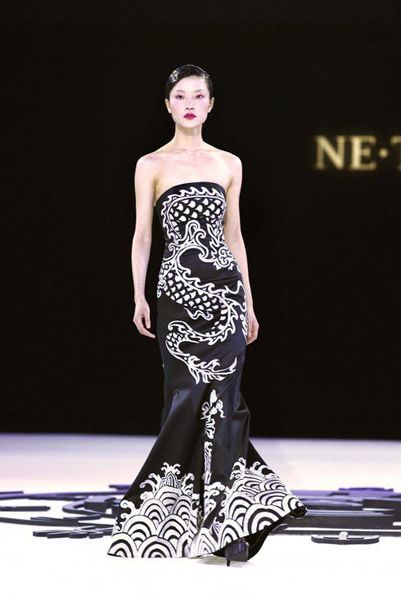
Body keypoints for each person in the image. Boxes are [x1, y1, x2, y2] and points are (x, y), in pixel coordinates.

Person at [106, 64, 307, 565]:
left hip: (226, 295)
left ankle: (228, 527)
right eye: (181, 96)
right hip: (176, 295)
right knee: (186, 398)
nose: (190, 104)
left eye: (199, 96)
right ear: (168, 105)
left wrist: (249, 302)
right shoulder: (151, 164)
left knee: (227, 403)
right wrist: (138, 295)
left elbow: (234, 237)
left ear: (211, 105)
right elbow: (142, 236)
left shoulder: (228, 164)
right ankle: (168, 517)